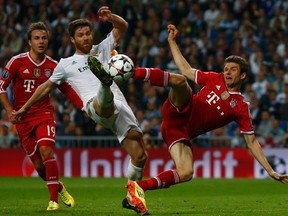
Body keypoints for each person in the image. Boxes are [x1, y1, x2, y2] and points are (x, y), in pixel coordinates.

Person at [123, 24, 288, 215]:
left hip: (177, 131)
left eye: (233, 70)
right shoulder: (214, 78)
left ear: (242, 75)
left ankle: (137, 189)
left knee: (186, 172)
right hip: (179, 109)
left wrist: (270, 171)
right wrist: (172, 41)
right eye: (226, 69)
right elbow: (185, 69)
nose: (227, 72)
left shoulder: (241, 107)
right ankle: (130, 72)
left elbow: (251, 142)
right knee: (180, 81)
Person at [12, 6, 147, 210]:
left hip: (120, 106)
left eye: (88, 33)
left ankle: (132, 195)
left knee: (139, 155)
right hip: (95, 106)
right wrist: (24, 108)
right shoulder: (65, 64)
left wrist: (111, 17)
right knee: (103, 102)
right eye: (81, 35)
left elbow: (123, 26)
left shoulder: (101, 49)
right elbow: (45, 87)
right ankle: (104, 82)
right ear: (73, 40)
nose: (86, 38)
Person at [0, 22, 79, 210]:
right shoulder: (16, 62)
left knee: (47, 152)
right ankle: (58, 187)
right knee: (40, 167)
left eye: (44, 38)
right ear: (29, 42)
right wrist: (10, 110)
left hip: (44, 114)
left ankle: (53, 201)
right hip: (22, 118)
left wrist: (84, 106)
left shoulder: (53, 65)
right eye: (37, 38)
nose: (41, 41)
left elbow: (67, 89)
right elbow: (1, 87)